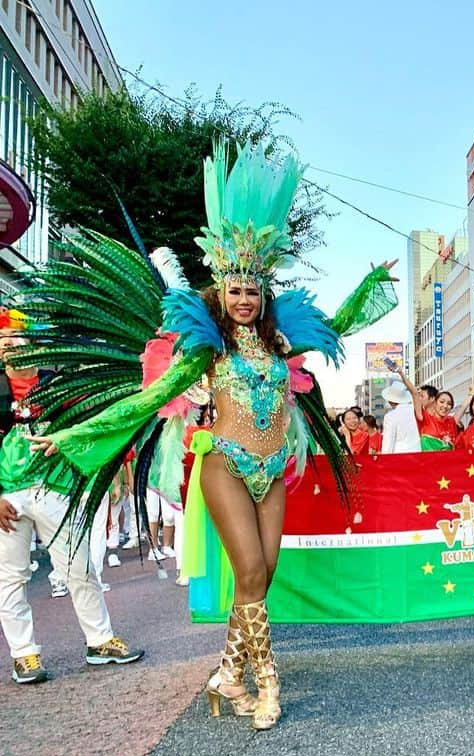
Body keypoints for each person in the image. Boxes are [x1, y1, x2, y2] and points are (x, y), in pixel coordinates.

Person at [26, 141, 398, 725]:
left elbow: (341, 323)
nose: (244, 299)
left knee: (262, 575)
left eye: (253, 291)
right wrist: (75, 433)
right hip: (225, 465)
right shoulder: (207, 348)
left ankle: (227, 674)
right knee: (248, 570)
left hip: (272, 470)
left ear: (262, 295)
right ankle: (267, 685)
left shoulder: (279, 343)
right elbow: (149, 397)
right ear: (220, 293)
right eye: (235, 290)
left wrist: (373, 278)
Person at [0, 310, 143, 684]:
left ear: (33, 346)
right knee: (11, 578)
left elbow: (86, 428)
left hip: (55, 490)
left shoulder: (57, 386)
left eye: (17, 340)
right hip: (8, 498)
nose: (11, 347)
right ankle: (24, 655)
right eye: (4, 342)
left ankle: (99, 641)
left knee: (79, 568)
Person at [391, 363, 460, 450]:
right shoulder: (424, 419)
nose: (445, 406)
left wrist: (470, 397)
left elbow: (462, 409)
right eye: (442, 402)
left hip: (449, 462)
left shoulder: (450, 421)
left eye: (422, 396)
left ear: (432, 399)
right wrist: (401, 372)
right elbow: (414, 393)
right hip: (429, 462)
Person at [380, 380, 420, 454]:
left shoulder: (390, 416)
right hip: (418, 453)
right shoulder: (417, 411)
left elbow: (388, 442)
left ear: (390, 401)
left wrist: (384, 461)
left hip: (399, 455)